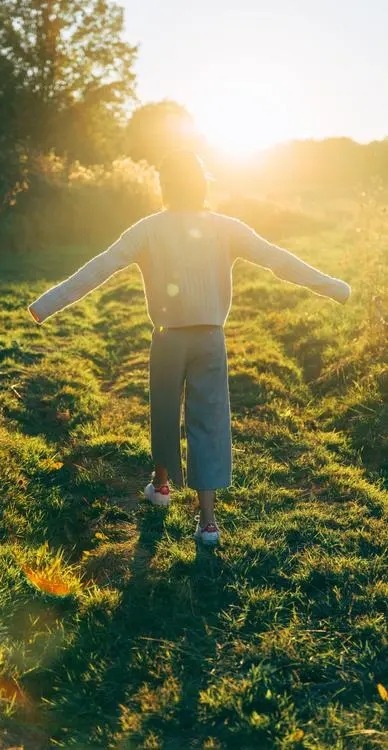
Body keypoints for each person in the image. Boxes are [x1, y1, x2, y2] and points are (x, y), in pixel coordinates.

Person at [28, 150, 351, 545]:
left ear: (165, 186)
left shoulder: (148, 229)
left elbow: (100, 267)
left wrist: (45, 305)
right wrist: (335, 288)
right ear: (202, 185)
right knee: (208, 422)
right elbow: (277, 260)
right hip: (210, 338)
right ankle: (208, 522)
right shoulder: (225, 227)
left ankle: (161, 487)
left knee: (164, 411)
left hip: (167, 336)